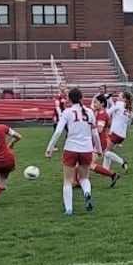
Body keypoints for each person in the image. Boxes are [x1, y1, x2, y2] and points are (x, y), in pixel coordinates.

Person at [45, 87, 102, 216]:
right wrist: (98, 149)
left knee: (67, 180)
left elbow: (58, 131)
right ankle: (87, 193)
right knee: (84, 178)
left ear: (69, 99)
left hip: (71, 148)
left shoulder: (67, 112)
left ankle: (69, 209)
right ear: (81, 98)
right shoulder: (90, 112)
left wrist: (49, 149)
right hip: (86, 148)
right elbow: (95, 134)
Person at [88, 94, 122, 187]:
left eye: (96, 102)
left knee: (88, 164)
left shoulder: (102, 115)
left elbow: (99, 130)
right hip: (97, 141)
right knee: (84, 164)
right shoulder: (100, 113)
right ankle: (80, 181)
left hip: (98, 142)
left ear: (102, 103)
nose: (94, 104)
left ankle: (113, 174)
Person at [103, 91, 133, 174]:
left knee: (105, 151)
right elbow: (128, 123)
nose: (117, 97)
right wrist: (109, 100)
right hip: (122, 135)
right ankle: (105, 170)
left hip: (115, 132)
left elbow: (108, 112)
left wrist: (105, 104)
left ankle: (122, 162)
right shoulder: (130, 110)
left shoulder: (119, 104)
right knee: (108, 151)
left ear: (123, 98)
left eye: (119, 96)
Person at [51, 82, 68, 151]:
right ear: (59, 87)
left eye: (64, 86)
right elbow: (57, 106)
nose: (63, 87)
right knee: (56, 130)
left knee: (69, 129)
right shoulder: (58, 96)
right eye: (62, 86)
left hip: (65, 114)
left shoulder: (66, 95)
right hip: (58, 115)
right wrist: (60, 115)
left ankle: (67, 144)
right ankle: (53, 145)